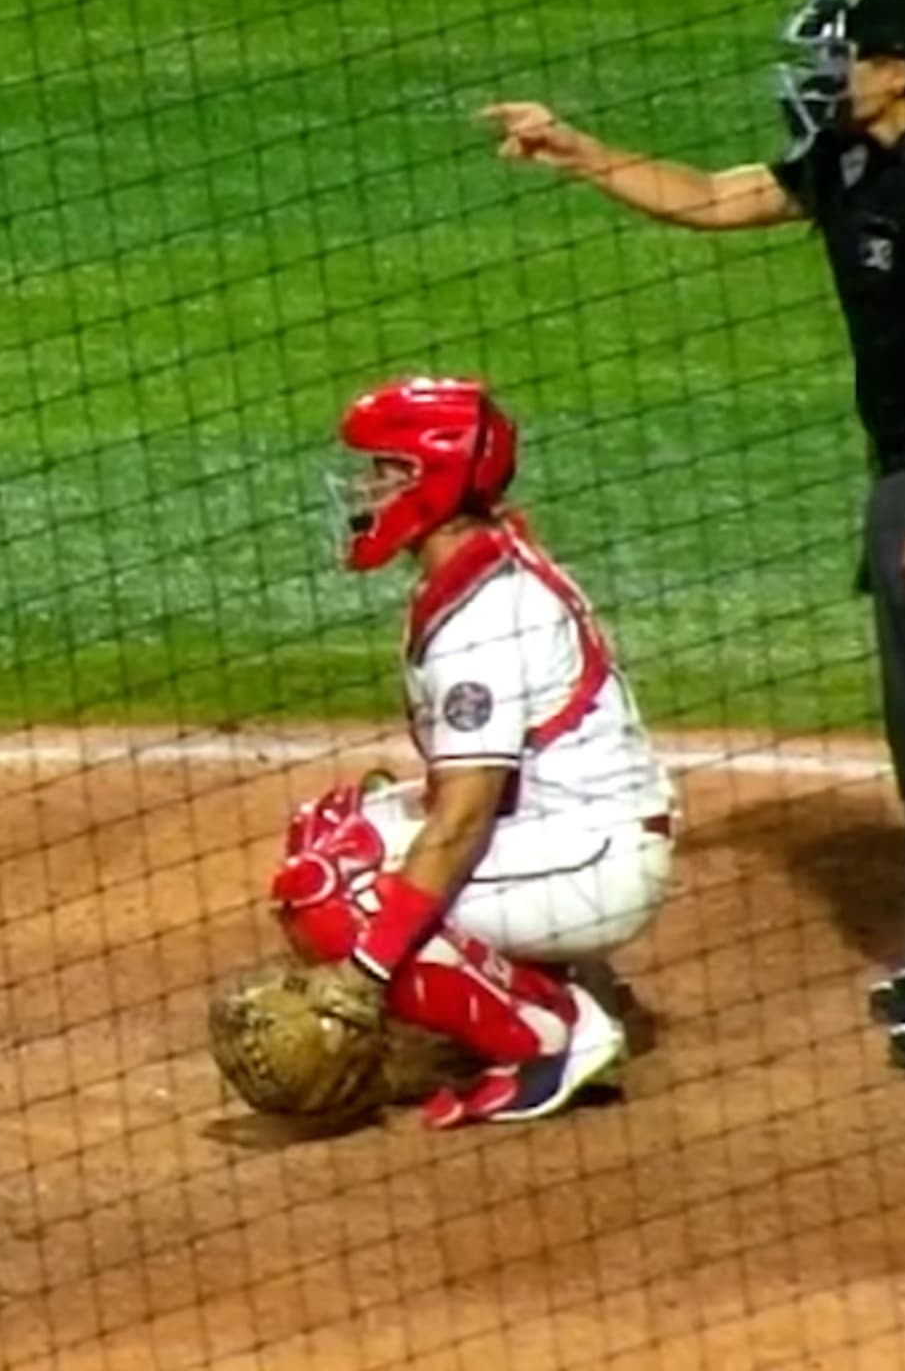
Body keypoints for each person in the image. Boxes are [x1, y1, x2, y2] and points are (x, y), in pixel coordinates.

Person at [483, 0, 905, 1068]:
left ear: (900, 72)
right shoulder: (852, 163)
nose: (814, 74)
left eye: (836, 55)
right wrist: (579, 150)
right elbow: (716, 197)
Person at [271, 377, 676, 1126]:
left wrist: (367, 969)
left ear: (434, 479)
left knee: (331, 890)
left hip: (595, 861)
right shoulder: (481, 564)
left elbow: (463, 818)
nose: (364, 490)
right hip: (573, 831)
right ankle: (558, 978)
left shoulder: (482, 621)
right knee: (327, 830)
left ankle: (549, 1036)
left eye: (384, 471)